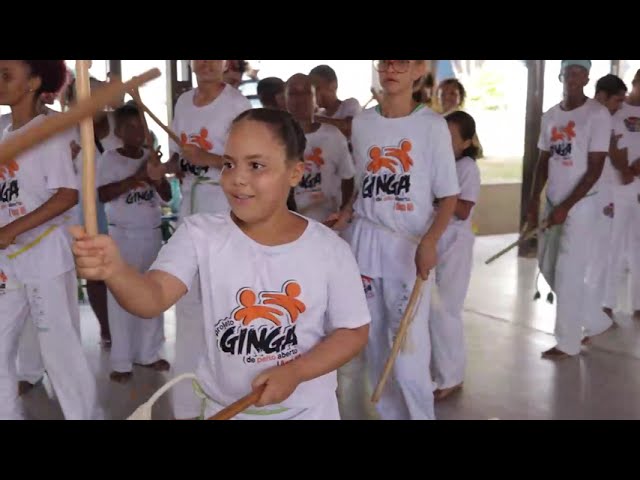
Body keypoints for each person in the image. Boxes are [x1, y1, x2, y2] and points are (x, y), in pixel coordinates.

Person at [71, 108, 371, 419]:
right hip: (226, 409)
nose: (238, 178)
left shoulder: (328, 248)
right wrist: (114, 270)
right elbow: (153, 297)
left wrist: (297, 371)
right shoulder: (199, 234)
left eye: (256, 165)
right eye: (229, 164)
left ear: (295, 173)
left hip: (307, 412)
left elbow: (353, 331)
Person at [337, 60, 460, 420]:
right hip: (365, 245)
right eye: (385, 62)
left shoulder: (432, 126)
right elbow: (363, 185)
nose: (391, 68)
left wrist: (430, 242)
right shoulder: (363, 123)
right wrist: (346, 212)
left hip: (408, 249)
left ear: (418, 71)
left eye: (402, 63)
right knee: (374, 345)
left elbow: (449, 196)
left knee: (407, 352)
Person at [0, 59, 102, 419]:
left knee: (60, 352)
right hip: (7, 260)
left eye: (6, 75)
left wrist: (12, 228)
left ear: (33, 83)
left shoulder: (52, 131)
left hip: (43, 253)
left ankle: (85, 415)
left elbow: (66, 195)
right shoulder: (1, 128)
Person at [156, 60, 252, 419]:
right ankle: (186, 405)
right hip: (189, 213)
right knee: (188, 306)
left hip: (225, 210)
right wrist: (166, 166)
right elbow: (180, 160)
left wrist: (210, 159)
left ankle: (227, 398)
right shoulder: (182, 104)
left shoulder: (237, 105)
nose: (208, 63)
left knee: (225, 307)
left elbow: (248, 162)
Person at [528, 60, 613, 359]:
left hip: (583, 204)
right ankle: (594, 319)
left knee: (568, 270)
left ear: (587, 77)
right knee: (547, 266)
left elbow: (594, 169)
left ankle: (567, 341)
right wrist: (532, 201)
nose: (573, 76)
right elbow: (542, 162)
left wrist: (566, 206)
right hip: (553, 202)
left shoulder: (597, 115)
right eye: (569, 70)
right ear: (560, 75)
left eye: (579, 71)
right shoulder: (550, 116)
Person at [97, 103, 172, 383]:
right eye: (130, 127)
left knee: (152, 292)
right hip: (122, 236)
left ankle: (149, 353)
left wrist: (155, 175)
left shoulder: (149, 157)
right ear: (119, 131)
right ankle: (121, 361)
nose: (138, 132)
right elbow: (103, 194)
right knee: (121, 297)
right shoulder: (110, 159)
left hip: (151, 233)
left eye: (141, 127)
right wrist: (136, 177)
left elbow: (165, 195)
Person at [430, 110, 480, 401]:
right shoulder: (439, 164)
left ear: (466, 142)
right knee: (433, 311)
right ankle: (441, 370)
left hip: (455, 245)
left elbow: (462, 209)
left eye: (452, 137)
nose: (445, 142)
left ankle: (451, 376)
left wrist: (437, 196)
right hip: (437, 241)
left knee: (446, 310)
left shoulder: (467, 168)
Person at [284, 74, 355, 223]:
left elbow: (348, 177)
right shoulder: (276, 138)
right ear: (285, 99)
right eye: (293, 93)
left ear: (315, 97)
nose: (300, 99)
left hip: (329, 224)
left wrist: (342, 211)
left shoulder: (333, 135)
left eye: (306, 93)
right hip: (288, 225)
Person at [589, 74, 628, 325]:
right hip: (585, 194)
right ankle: (588, 309)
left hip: (606, 193)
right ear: (601, 95)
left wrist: (614, 150)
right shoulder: (586, 118)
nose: (620, 106)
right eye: (617, 100)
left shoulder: (615, 121)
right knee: (590, 254)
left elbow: (621, 162)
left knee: (606, 251)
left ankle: (601, 306)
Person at [603, 69, 640, 321]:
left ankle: (638, 305)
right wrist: (623, 168)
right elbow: (606, 141)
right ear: (636, 83)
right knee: (613, 244)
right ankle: (606, 303)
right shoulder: (617, 109)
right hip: (617, 185)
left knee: (637, 247)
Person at [309, 65, 362, 141]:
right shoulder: (318, 115)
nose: (313, 94)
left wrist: (315, 119)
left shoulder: (350, 104)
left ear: (333, 86)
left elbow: (351, 128)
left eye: (317, 88)